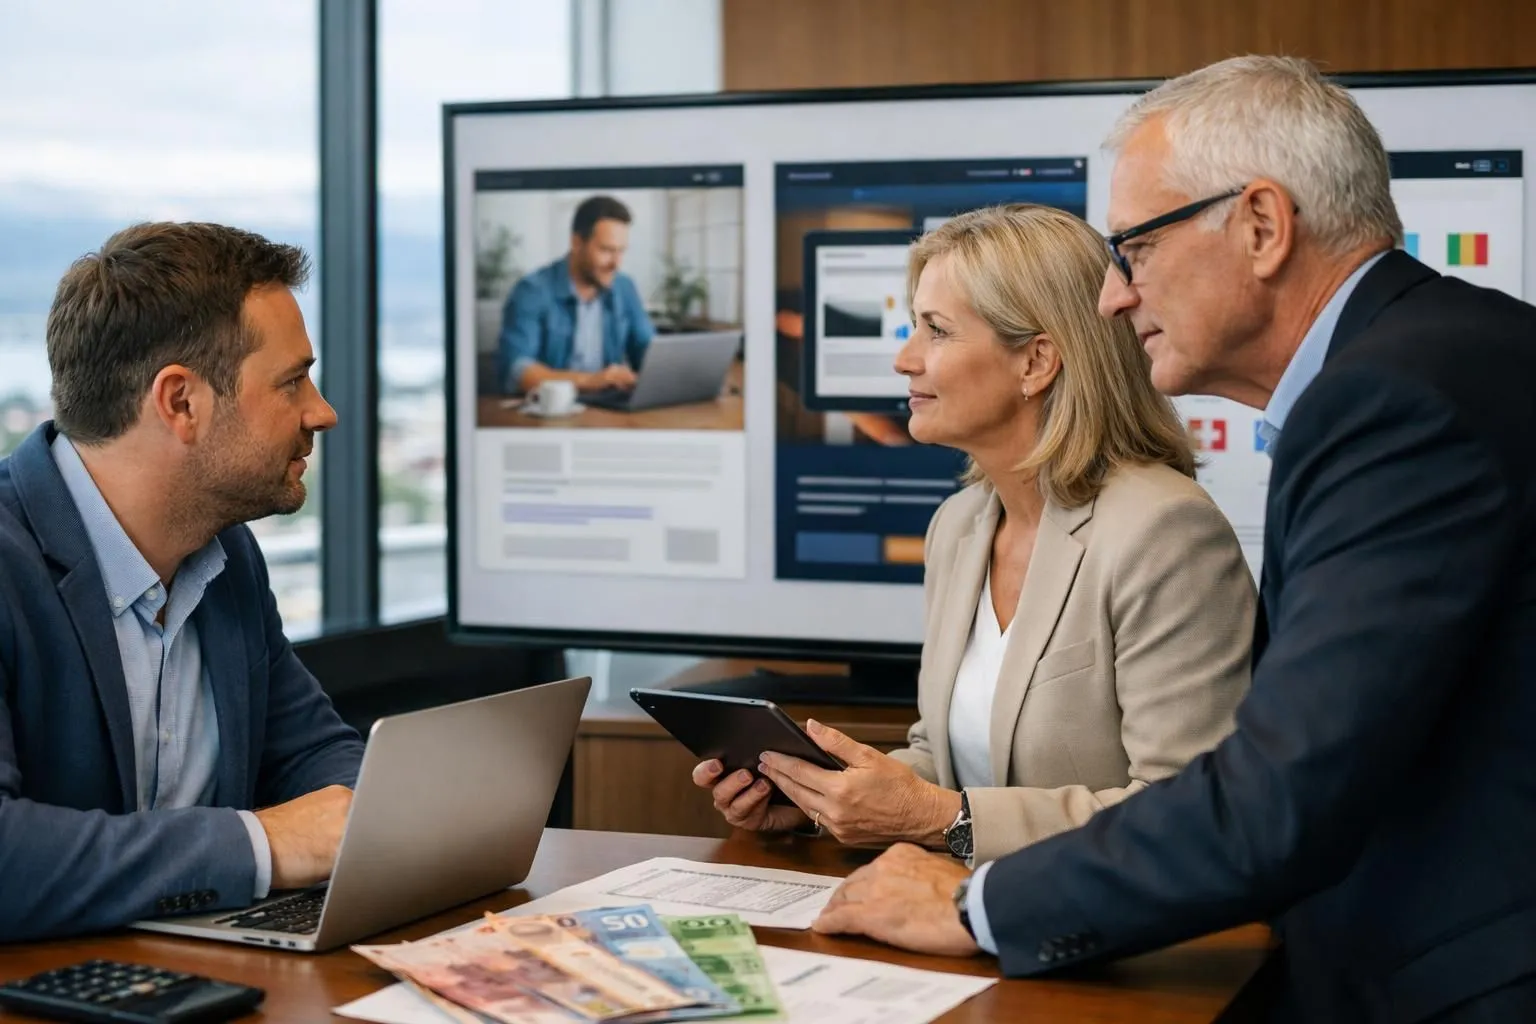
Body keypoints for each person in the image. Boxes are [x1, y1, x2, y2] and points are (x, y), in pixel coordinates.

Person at [811, 56, 1536, 1023]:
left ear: (1263, 227)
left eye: (1136, 249)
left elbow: (1276, 797)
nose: (1114, 296)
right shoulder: (1442, 356)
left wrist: (980, 904)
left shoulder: (1390, 399)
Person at [694, 204, 1254, 865]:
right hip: (964, 918)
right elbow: (946, 758)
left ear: (1036, 362)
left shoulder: (1166, 531)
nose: (904, 360)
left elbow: (1187, 813)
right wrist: (816, 801)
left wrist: (940, 818)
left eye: (936, 331)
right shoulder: (959, 526)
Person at [0, 222, 366, 942]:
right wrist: (265, 845)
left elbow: (311, 754)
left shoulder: (224, 554)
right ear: (181, 403)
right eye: (292, 381)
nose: (321, 412)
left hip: (189, 981)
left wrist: (378, 816)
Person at [497, 195, 655, 394]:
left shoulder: (625, 287)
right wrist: (591, 381)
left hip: (608, 411)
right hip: (551, 413)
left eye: (621, 251)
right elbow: (517, 370)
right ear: (577, 243)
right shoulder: (532, 290)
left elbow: (648, 350)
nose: (616, 264)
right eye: (606, 250)